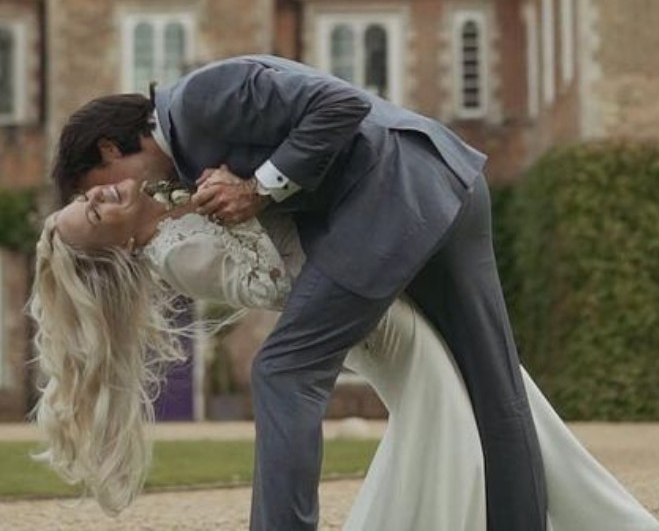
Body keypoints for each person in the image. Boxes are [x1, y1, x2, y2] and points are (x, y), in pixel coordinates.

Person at [52, 54, 546, 531]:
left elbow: (341, 105)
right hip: (448, 183)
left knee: (282, 370)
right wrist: (247, 187)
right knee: (495, 390)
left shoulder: (197, 99)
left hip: (393, 201)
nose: (107, 194)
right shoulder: (188, 146)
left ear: (109, 150)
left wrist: (258, 189)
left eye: (93, 187)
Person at [30, 176, 659, 530]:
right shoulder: (175, 254)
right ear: (110, 251)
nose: (100, 195)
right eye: (91, 211)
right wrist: (248, 204)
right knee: (455, 409)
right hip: (372, 321)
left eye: (88, 195)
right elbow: (269, 282)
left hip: (373, 306)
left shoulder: (169, 216)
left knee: (500, 395)